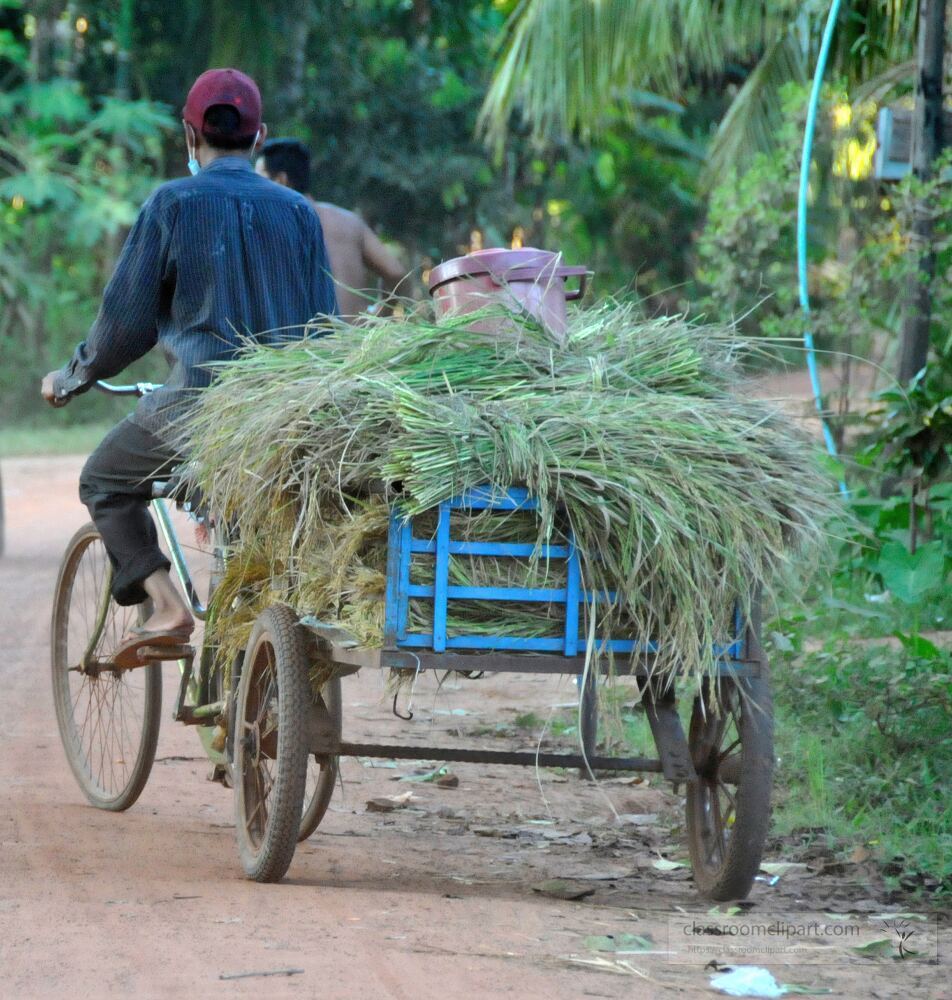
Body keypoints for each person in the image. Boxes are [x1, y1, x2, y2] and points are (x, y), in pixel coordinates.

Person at [40, 69, 338, 666]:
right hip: (284, 416)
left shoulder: (172, 203)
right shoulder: (299, 212)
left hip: (199, 408)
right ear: (259, 138)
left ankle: (167, 605)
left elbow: (125, 325)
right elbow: (323, 332)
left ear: (188, 134)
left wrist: (71, 378)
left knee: (103, 479)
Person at [255, 138, 405, 318]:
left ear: (281, 181)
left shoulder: (271, 229)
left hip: (310, 346)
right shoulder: (347, 221)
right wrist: (380, 317)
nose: (254, 188)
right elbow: (396, 272)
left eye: (259, 180)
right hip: (359, 342)